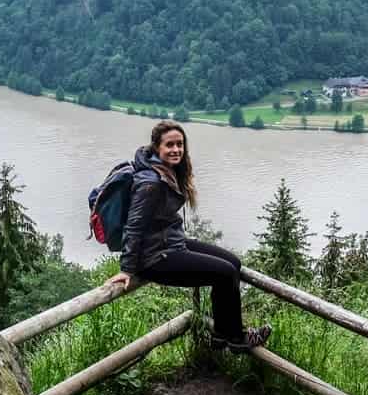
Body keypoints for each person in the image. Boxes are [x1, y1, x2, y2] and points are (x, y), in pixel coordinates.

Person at [104, 120, 272, 351]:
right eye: (169, 145)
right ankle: (236, 338)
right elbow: (134, 226)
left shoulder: (166, 171)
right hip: (155, 257)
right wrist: (127, 269)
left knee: (234, 263)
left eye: (180, 144)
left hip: (170, 243)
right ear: (156, 148)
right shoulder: (150, 182)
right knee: (225, 273)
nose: (176, 150)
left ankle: (221, 334)